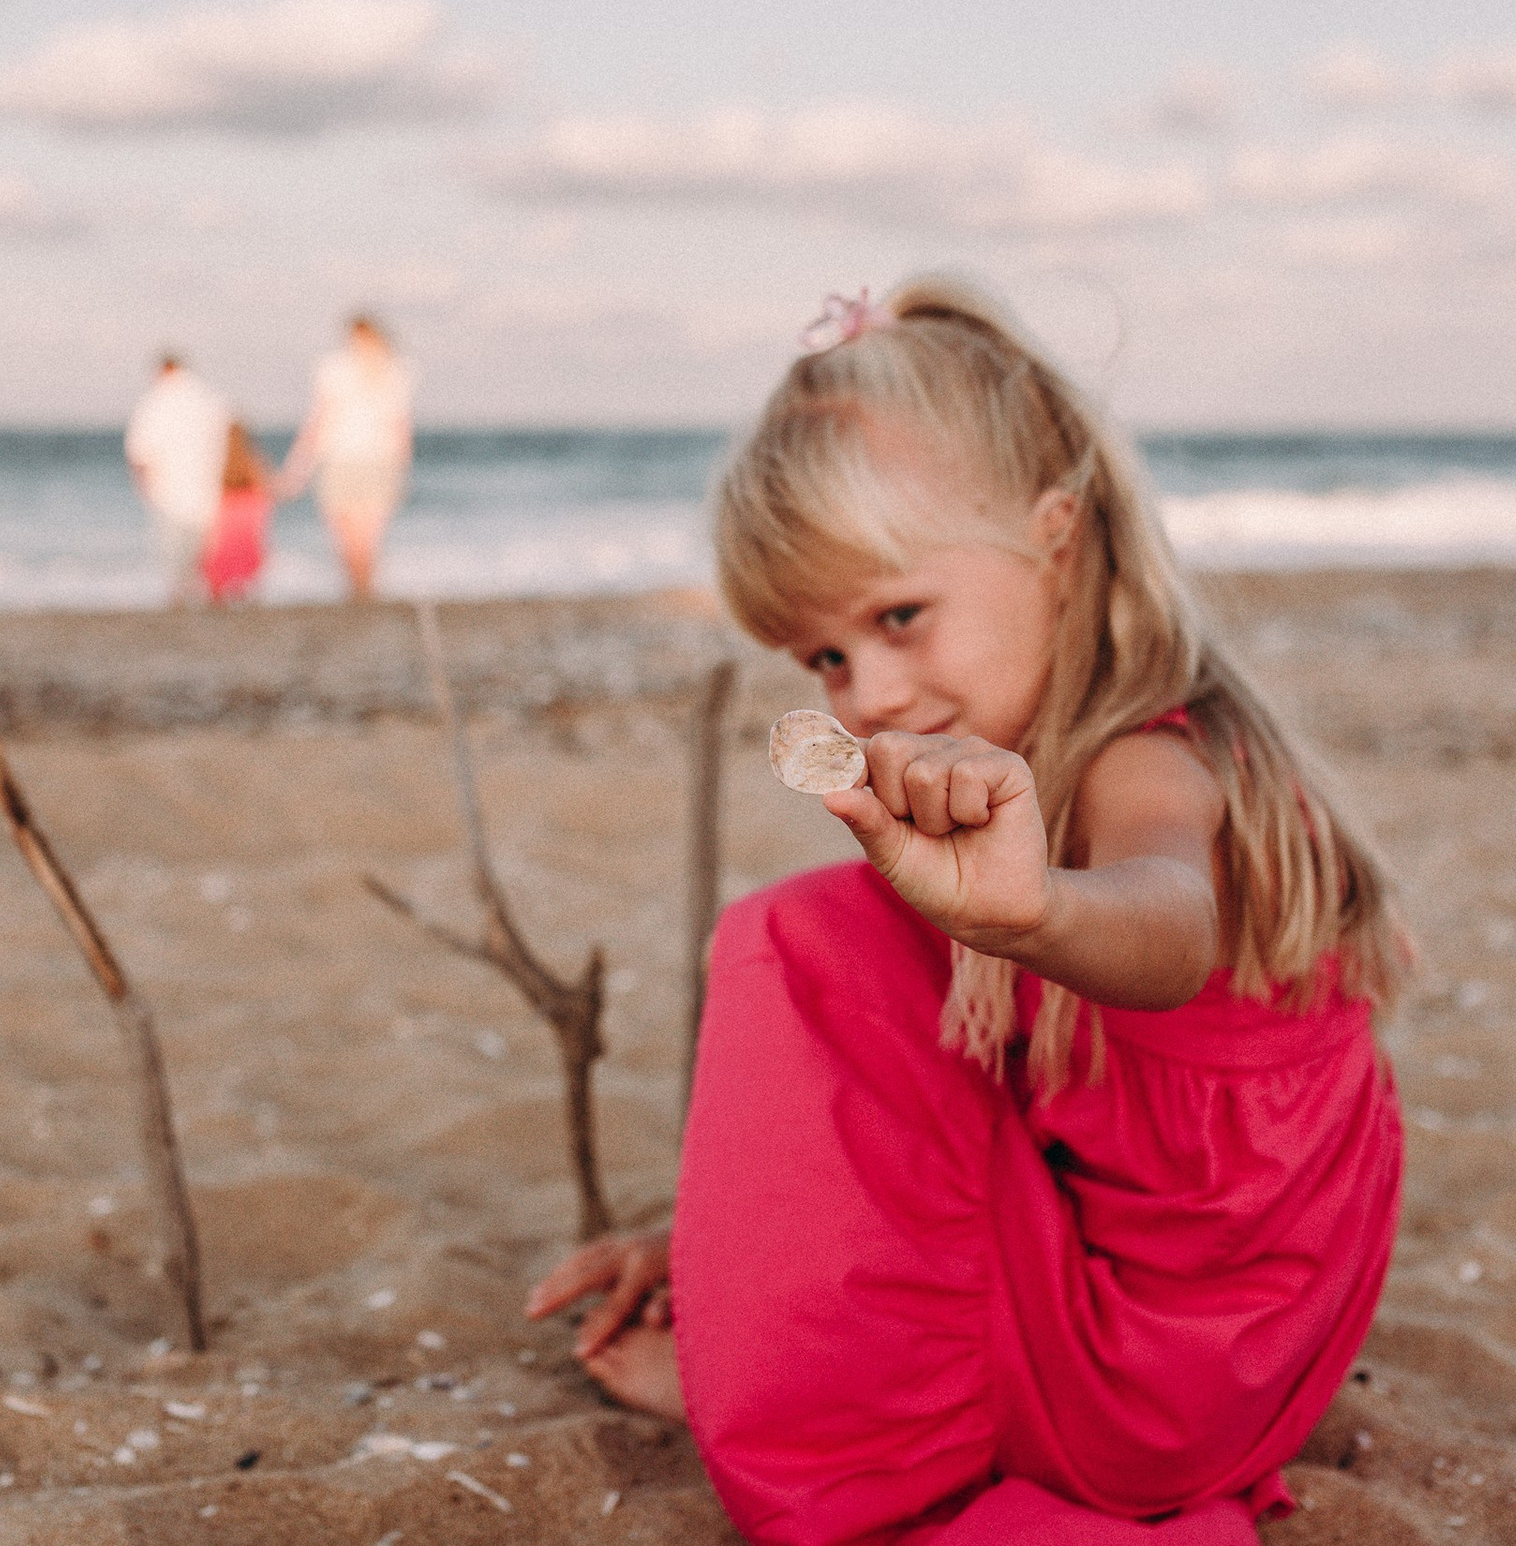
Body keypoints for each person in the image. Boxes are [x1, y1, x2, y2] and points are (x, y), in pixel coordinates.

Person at [525, 279, 1408, 1543]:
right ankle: (771, 1326)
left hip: (1149, 1377)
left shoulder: (1150, 762)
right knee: (881, 936)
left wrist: (1040, 911)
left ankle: (797, 1398)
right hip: (1234, 1351)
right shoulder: (1053, 747)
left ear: (1055, 534)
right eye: (826, 659)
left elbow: (1167, 925)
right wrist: (726, 1230)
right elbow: (960, 1106)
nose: (870, 691)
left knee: (808, 936)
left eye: (898, 617)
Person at [278, 313, 413, 603]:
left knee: (347, 538)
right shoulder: (394, 369)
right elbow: (401, 427)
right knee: (368, 539)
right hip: (380, 460)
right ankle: (367, 592)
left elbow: (318, 420)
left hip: (340, 458)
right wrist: (402, 467)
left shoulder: (335, 368)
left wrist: (298, 466)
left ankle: (358, 592)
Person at [123, 351, 229, 606]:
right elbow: (228, 443)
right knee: (200, 547)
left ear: (161, 370)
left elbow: (138, 454)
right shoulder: (209, 399)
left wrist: (142, 487)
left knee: (173, 551)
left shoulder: (153, 403)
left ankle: (179, 596)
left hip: (167, 489)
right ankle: (203, 594)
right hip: (206, 486)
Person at [200, 420, 274, 606]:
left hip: (226, 530)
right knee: (246, 580)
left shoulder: (219, 464)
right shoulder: (255, 464)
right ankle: (247, 604)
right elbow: (267, 497)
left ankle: (217, 608)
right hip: (248, 531)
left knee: (218, 577)